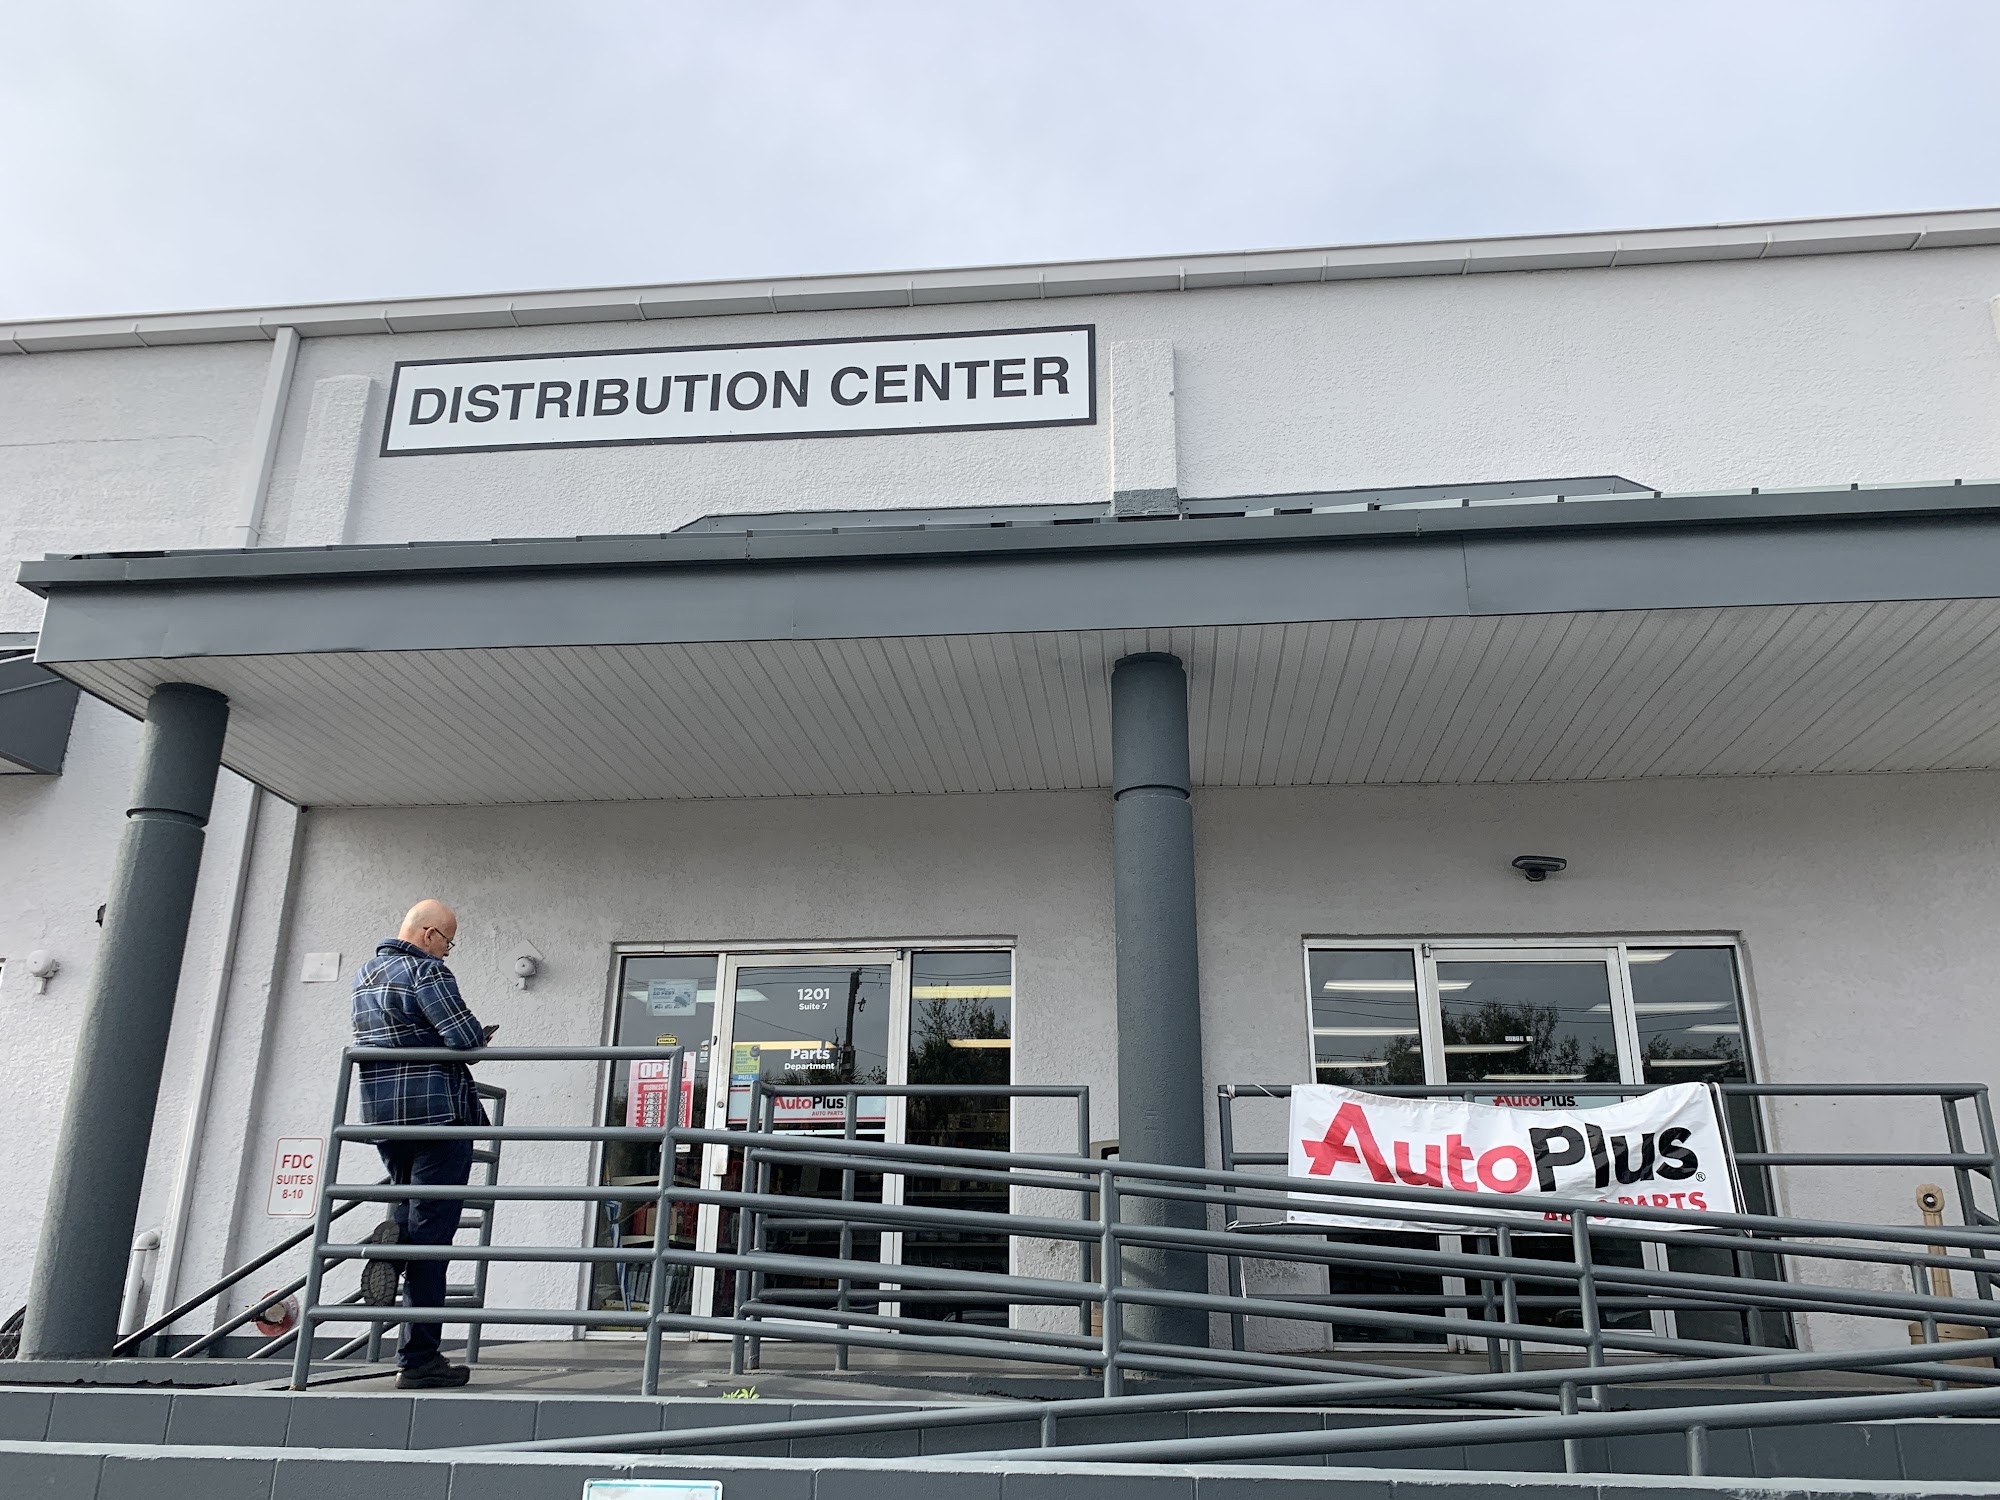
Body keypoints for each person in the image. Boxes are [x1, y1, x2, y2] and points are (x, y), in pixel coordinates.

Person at [351, 898, 495, 1389]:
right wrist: (476, 1038)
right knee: (433, 1236)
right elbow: (465, 1039)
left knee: (411, 1212)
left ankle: (392, 1244)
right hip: (438, 1115)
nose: (448, 952)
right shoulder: (426, 971)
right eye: (448, 941)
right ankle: (419, 1359)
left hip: (386, 1118)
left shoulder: (367, 974)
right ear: (430, 935)